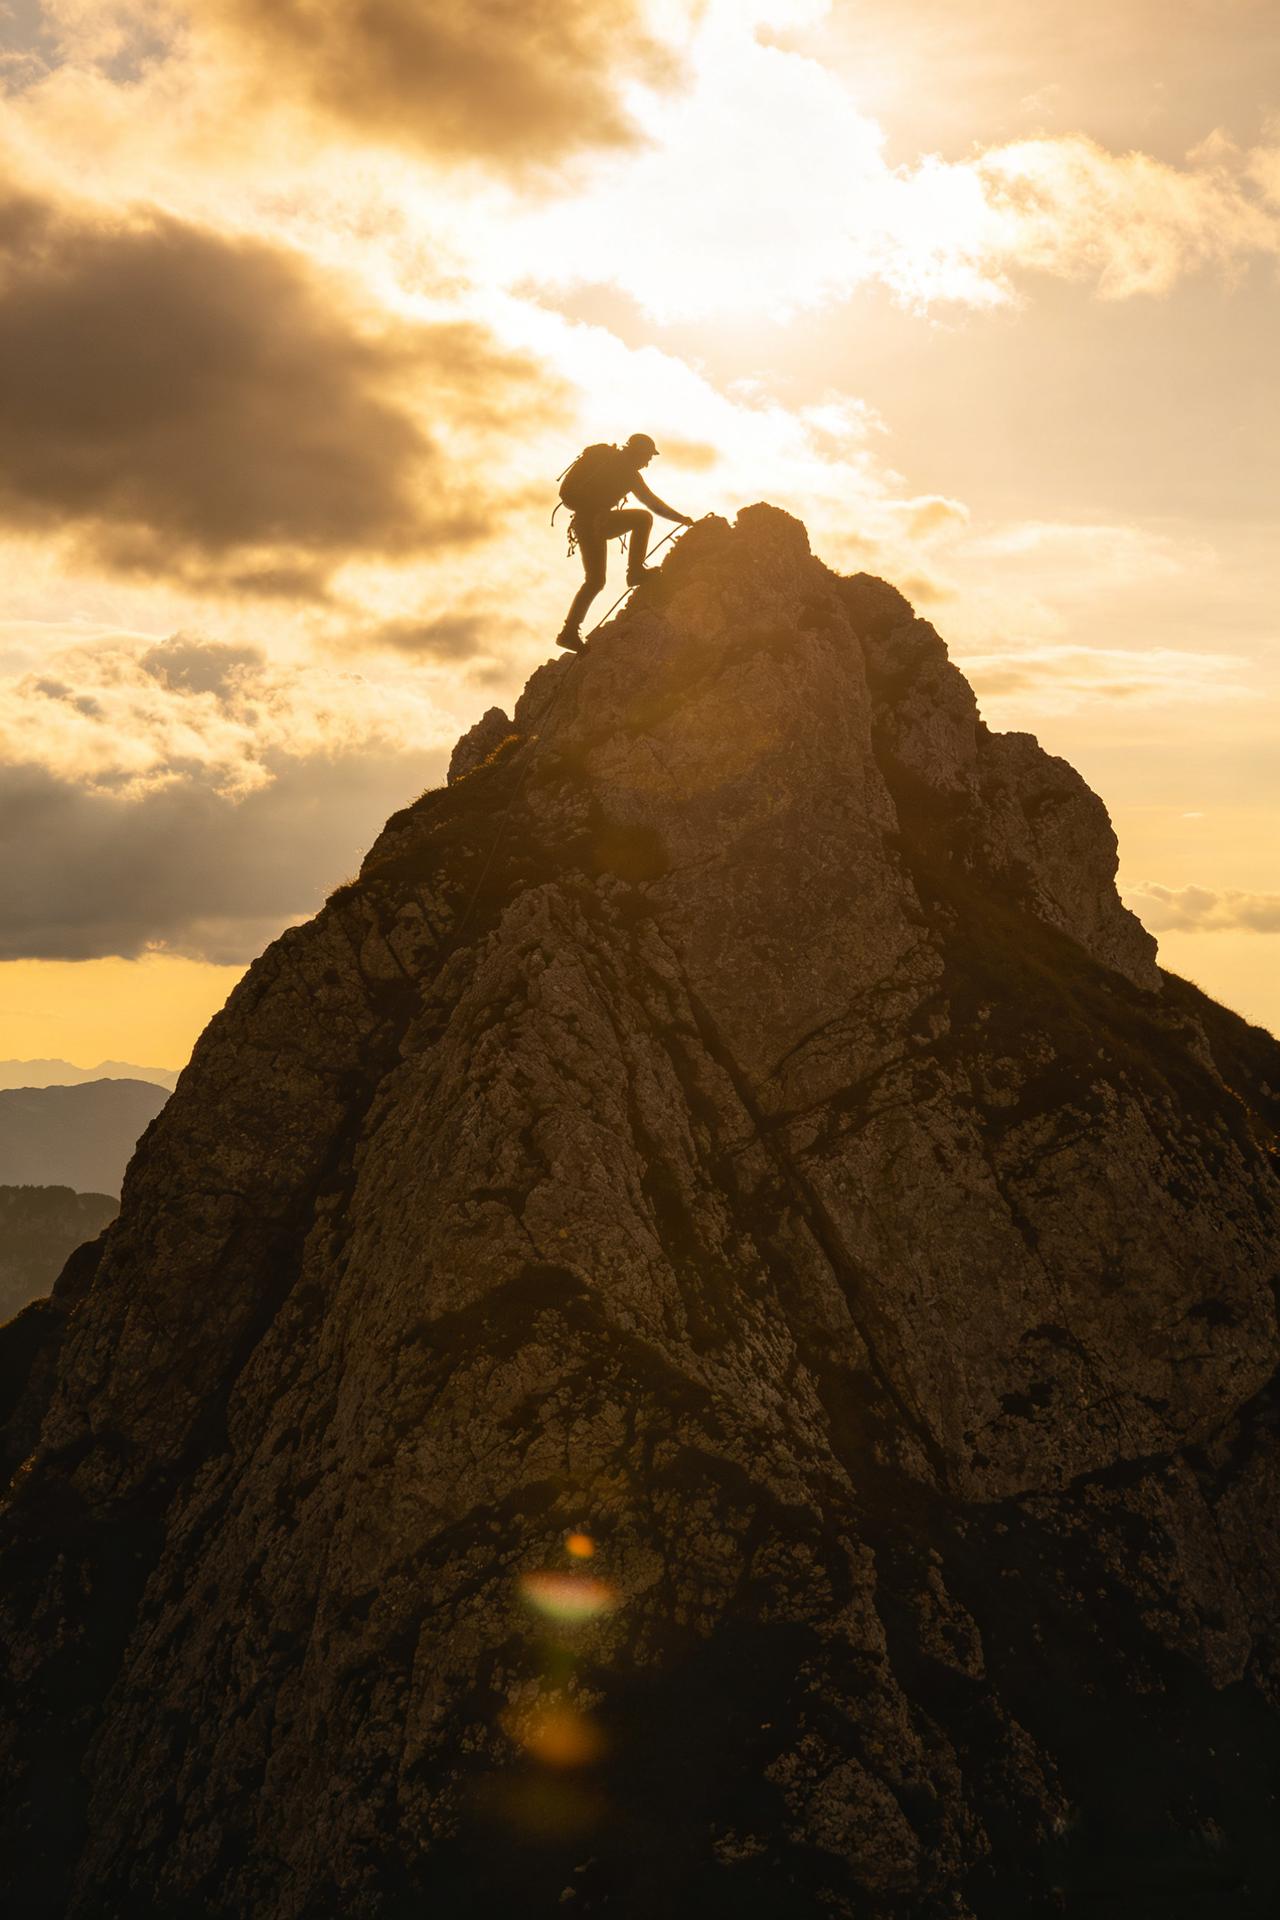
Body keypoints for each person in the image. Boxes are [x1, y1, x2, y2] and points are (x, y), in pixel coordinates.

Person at [556, 433, 694, 652]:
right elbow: (652, 504)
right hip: (593, 523)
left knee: (595, 581)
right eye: (647, 457)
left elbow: (652, 502)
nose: (647, 463)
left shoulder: (620, 467)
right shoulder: (626, 472)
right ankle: (635, 572)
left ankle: (569, 632)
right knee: (642, 519)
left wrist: (681, 519)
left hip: (588, 524)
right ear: (639, 452)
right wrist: (682, 519)